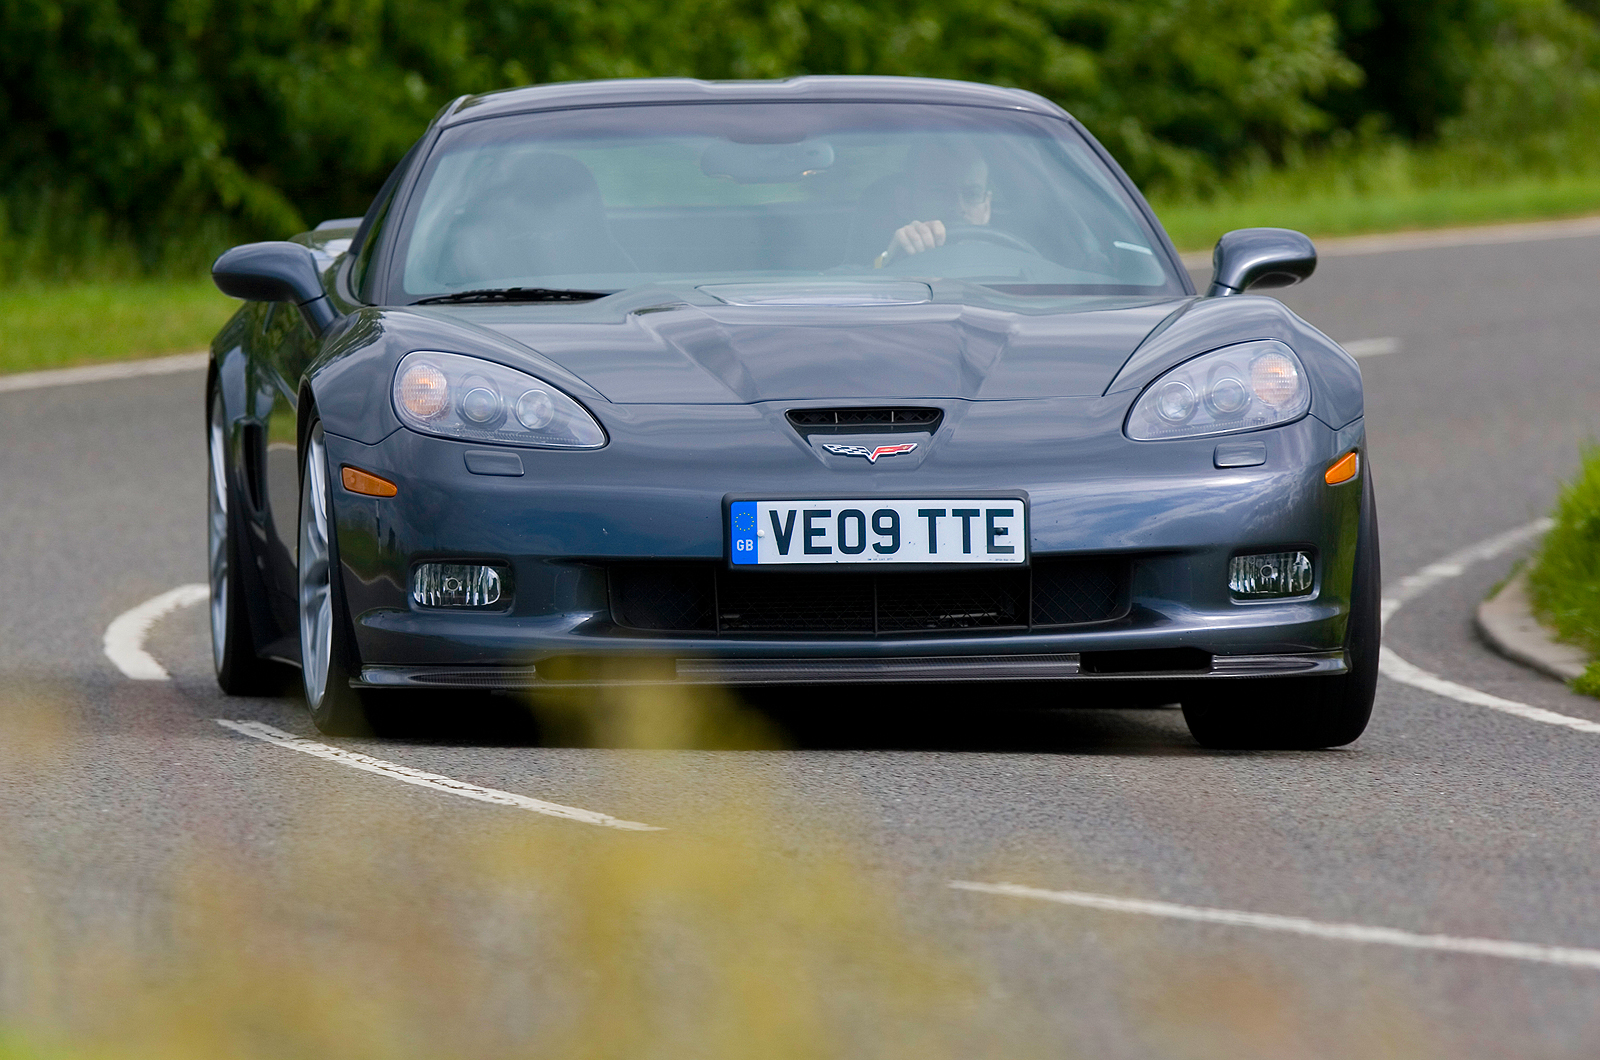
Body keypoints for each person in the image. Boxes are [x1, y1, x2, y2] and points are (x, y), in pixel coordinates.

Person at [873, 141, 992, 267]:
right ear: (905, 202)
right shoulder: (889, 260)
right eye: (941, 192)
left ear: (987, 207)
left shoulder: (1013, 263)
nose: (959, 208)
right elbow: (870, 277)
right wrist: (889, 262)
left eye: (972, 194)